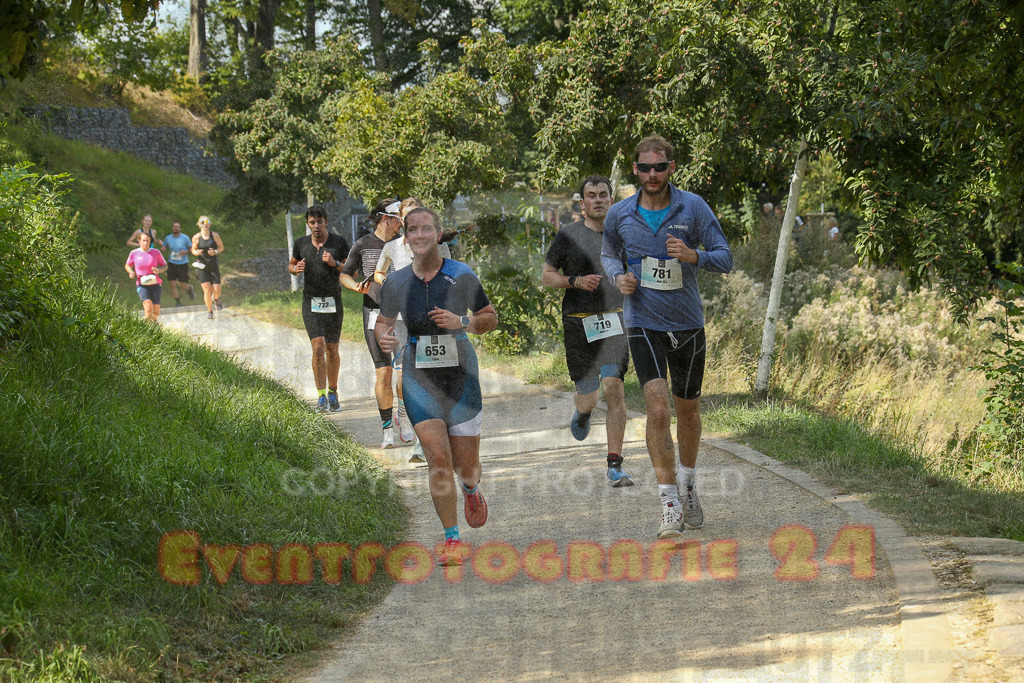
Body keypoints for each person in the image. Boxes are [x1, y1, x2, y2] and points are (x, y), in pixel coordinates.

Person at [601, 135, 733, 539]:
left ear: (671, 168)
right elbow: (608, 253)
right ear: (635, 170)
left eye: (660, 167)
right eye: (645, 168)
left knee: (688, 412)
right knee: (657, 410)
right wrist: (618, 276)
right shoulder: (620, 213)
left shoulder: (692, 207)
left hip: (688, 324)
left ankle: (689, 485)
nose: (652, 174)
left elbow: (725, 257)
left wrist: (696, 256)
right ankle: (669, 502)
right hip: (642, 322)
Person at [375, 207, 498, 566]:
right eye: (413, 230)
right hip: (418, 376)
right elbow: (384, 325)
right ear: (406, 237)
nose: (420, 235)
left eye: (427, 229)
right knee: (438, 459)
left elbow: (490, 318)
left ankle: (471, 489)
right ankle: (452, 538)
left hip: (461, 376)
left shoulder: (461, 275)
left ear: (439, 233)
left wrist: (462, 321)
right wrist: (387, 339)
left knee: (466, 465)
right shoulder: (396, 282)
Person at [542, 176, 633, 487]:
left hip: (615, 319)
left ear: (611, 199)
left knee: (614, 387)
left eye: (603, 195)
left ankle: (615, 464)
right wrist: (575, 282)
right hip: (579, 322)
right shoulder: (568, 235)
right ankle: (582, 413)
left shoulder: (622, 234)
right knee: (590, 397)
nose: (598, 200)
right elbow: (547, 276)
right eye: (591, 196)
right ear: (582, 203)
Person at [373, 197, 453, 460]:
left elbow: (450, 277)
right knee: (409, 377)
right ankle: (421, 438)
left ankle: (438, 435)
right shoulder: (392, 247)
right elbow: (379, 273)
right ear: (401, 221)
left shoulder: (439, 247)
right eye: (408, 218)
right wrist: (391, 286)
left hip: (434, 320)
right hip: (402, 321)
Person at [340, 199, 403, 448]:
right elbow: (345, 274)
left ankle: (405, 418)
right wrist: (355, 287)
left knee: (405, 373)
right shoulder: (364, 244)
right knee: (384, 371)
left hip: (402, 314)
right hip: (374, 312)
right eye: (398, 218)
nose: (402, 223)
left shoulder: (405, 244)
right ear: (385, 218)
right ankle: (387, 429)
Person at [289, 206, 350, 413]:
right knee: (318, 346)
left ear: (326, 221)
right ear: (308, 223)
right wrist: (295, 270)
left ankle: (333, 392)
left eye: (320, 222)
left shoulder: (338, 243)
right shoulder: (301, 243)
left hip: (333, 301)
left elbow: (352, 270)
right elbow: (291, 264)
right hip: (311, 302)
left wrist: (334, 263)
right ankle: (321, 396)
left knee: (332, 349)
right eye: (312, 222)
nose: (316, 226)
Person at [125, 232, 167, 322]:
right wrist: (131, 272)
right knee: (148, 308)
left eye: (147, 241)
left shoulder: (155, 252)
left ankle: (152, 325)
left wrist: (158, 270)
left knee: (156, 312)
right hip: (142, 284)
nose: (145, 243)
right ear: (139, 241)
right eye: (143, 241)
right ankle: (142, 326)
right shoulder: (134, 253)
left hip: (155, 283)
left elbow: (164, 265)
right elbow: (128, 265)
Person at [191, 215, 225, 320]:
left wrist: (215, 252)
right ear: (199, 225)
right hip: (202, 266)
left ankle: (216, 299)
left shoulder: (214, 235)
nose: (205, 224)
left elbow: (221, 247)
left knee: (217, 290)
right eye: (202, 222)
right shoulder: (196, 237)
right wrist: (197, 252)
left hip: (213, 265)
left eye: (207, 222)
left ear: (210, 224)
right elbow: (193, 249)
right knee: (207, 289)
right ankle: (210, 312)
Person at [163, 221, 196, 306]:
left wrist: (185, 252)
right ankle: (178, 302)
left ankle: (189, 288)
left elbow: (191, 248)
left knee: (183, 285)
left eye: (177, 227)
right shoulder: (168, 238)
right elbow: (164, 247)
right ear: (172, 228)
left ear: (180, 228)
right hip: (172, 263)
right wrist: (162, 248)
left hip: (183, 263)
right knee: (172, 283)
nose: (176, 228)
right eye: (174, 227)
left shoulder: (185, 238)